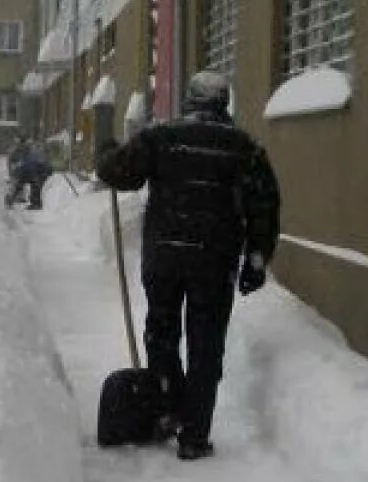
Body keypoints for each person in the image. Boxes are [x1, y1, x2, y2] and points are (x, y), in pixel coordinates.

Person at [95, 71, 281, 461]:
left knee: (162, 334)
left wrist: (107, 152)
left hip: (165, 257)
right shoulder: (244, 148)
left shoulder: (161, 139)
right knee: (206, 344)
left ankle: (168, 409)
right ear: (223, 103)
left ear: (190, 101)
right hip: (213, 263)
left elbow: (117, 173)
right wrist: (256, 259)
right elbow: (263, 207)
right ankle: (195, 435)